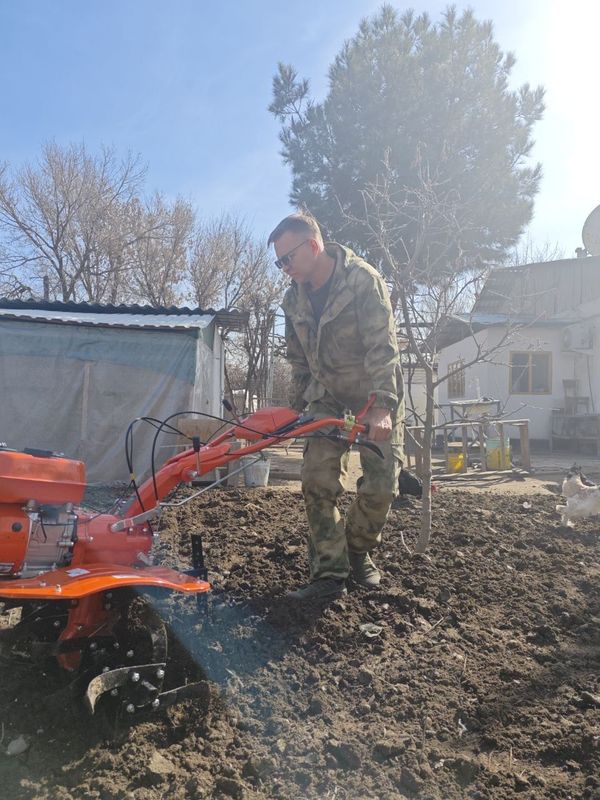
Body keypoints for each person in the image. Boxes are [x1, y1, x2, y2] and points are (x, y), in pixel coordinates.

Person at [268, 212, 404, 601]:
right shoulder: (292, 299)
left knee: (382, 487)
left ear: (312, 246)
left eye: (287, 259)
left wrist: (382, 405)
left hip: (373, 395)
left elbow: (383, 347)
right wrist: (299, 410)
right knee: (317, 482)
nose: (284, 269)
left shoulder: (363, 281)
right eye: (279, 263)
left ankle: (357, 552)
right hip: (326, 397)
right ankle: (328, 572)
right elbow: (297, 360)